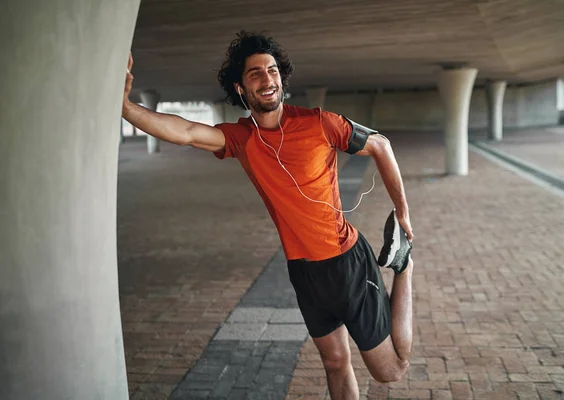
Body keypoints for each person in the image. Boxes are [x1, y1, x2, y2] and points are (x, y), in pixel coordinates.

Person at [122, 30, 414, 400]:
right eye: (255, 73)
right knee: (335, 362)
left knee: (390, 371)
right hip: (304, 272)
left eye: (272, 70)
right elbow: (186, 132)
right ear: (240, 88)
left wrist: (402, 213)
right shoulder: (242, 138)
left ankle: (403, 266)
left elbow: (380, 146)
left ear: (281, 77)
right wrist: (126, 107)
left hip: (346, 263)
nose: (267, 79)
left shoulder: (319, 123)